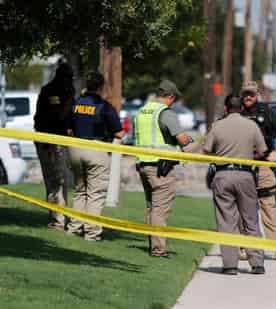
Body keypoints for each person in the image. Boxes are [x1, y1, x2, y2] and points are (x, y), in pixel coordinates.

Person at [203, 95, 267, 275]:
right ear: (241, 108)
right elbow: (262, 151)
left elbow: (206, 150)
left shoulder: (217, 126)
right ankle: (257, 263)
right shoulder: (251, 125)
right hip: (246, 175)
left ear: (225, 108)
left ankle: (230, 265)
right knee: (251, 220)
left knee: (226, 221)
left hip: (223, 175)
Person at [134, 80, 194, 257]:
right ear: (170, 96)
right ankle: (158, 249)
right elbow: (182, 139)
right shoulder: (165, 113)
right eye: (173, 99)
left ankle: (152, 244)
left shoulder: (142, 111)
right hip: (161, 168)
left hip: (143, 164)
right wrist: (189, 140)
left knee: (151, 207)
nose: (173, 102)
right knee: (160, 210)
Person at [240, 81, 276, 260]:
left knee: (269, 206)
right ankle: (244, 248)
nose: (248, 97)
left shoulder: (267, 112)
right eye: (245, 94)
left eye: (251, 94)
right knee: (244, 208)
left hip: (263, 166)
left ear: (257, 95)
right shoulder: (237, 112)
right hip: (241, 166)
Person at [66, 72, 124, 241]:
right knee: (95, 194)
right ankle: (92, 233)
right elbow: (119, 134)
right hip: (97, 150)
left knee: (79, 191)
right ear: (101, 87)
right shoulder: (105, 107)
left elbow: (68, 129)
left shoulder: (76, 104)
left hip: (75, 149)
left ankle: (74, 227)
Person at [34, 62, 74, 231]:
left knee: (51, 181)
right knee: (58, 181)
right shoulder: (59, 92)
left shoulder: (47, 89)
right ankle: (59, 220)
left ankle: (55, 218)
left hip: (43, 140)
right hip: (53, 142)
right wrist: (70, 101)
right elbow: (59, 115)